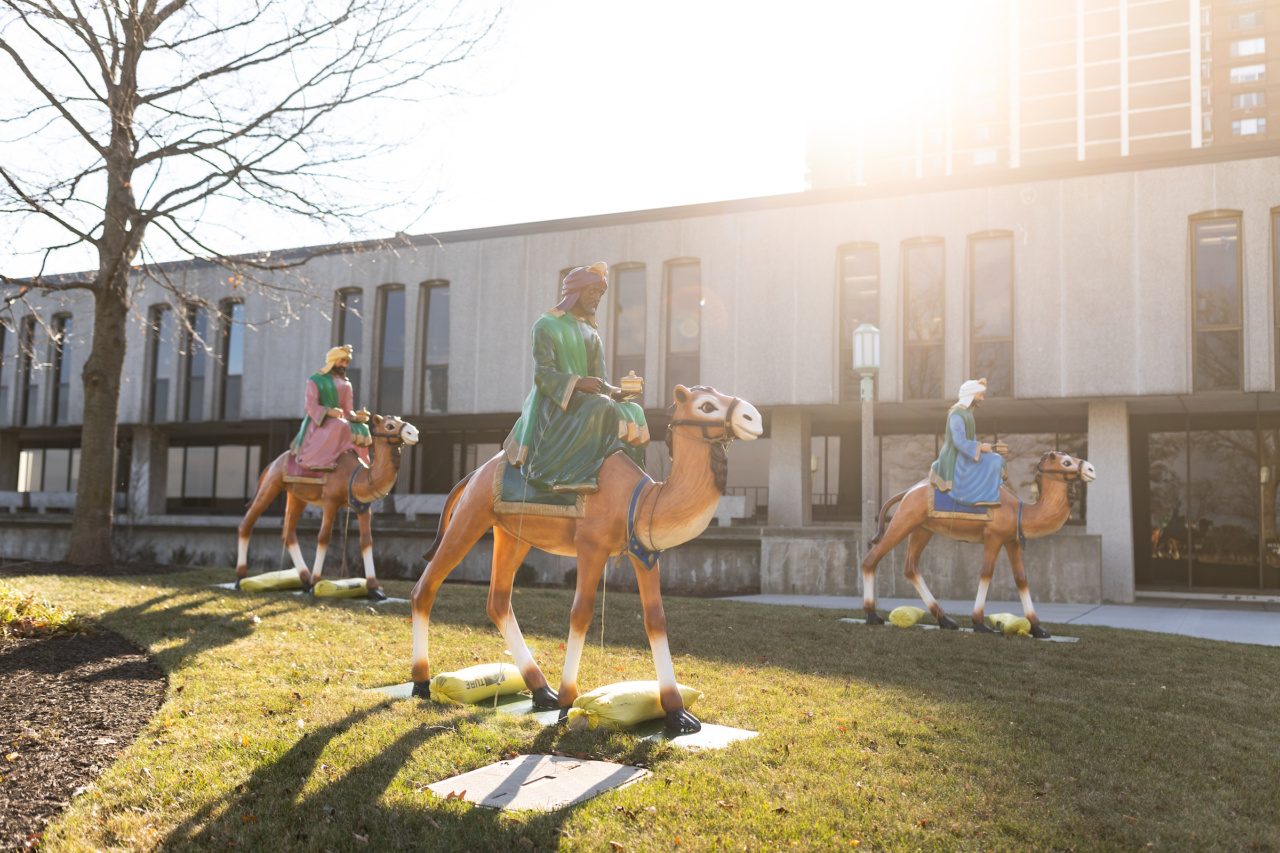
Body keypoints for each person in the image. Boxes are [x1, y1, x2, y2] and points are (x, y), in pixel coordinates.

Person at [503, 262, 648, 494]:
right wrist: (578, 383)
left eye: (600, 293)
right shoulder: (546, 325)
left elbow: (599, 382)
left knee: (633, 411)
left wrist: (618, 392)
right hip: (557, 406)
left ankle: (631, 481)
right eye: (593, 291)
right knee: (600, 406)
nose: (597, 298)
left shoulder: (591, 334)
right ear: (576, 292)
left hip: (589, 403)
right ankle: (568, 475)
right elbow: (543, 374)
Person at [291, 344, 372, 471]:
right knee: (340, 425)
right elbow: (310, 405)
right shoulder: (316, 380)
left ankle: (362, 466)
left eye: (347, 362)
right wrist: (329, 412)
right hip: (321, 422)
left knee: (362, 428)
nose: (344, 365)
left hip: (340, 420)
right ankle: (319, 461)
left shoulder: (346, 384)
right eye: (342, 361)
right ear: (332, 360)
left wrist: (357, 417)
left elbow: (347, 410)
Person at [929, 377, 1005, 506]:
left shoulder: (967, 414)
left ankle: (987, 493)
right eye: (980, 395)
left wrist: (987, 448)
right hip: (956, 458)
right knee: (995, 460)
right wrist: (980, 448)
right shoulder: (957, 414)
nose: (982, 399)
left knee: (997, 458)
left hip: (966, 454)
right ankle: (983, 497)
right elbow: (959, 441)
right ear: (971, 395)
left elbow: (970, 441)